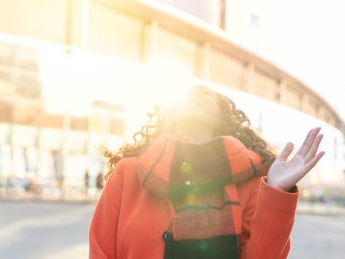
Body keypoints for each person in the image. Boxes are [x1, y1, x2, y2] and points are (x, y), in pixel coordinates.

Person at [89, 84, 325, 259]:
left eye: (203, 95)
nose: (192, 97)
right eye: (188, 95)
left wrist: (275, 191)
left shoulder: (251, 182)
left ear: (222, 117)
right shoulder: (129, 173)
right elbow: (101, 251)